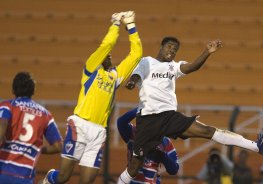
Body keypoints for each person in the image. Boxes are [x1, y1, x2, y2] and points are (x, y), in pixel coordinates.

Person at [117, 36, 263, 184]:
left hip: (169, 117)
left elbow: (193, 66)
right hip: (148, 120)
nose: (172, 50)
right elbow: (137, 75)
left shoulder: (173, 66)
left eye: (175, 49)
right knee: (134, 167)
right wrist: (132, 82)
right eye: (169, 46)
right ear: (161, 47)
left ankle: (257, 146)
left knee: (207, 131)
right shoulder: (147, 62)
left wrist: (207, 52)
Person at [41, 11, 142, 184]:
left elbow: (136, 54)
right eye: (105, 54)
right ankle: (49, 179)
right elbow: (107, 44)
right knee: (64, 177)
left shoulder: (115, 77)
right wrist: (116, 23)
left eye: (109, 55)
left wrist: (131, 25)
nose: (108, 55)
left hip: (98, 132)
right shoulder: (90, 70)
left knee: (87, 181)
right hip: (79, 125)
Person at [0, 72, 62, 184]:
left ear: (13, 90)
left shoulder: (6, 106)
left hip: (3, 171)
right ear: (33, 91)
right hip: (25, 176)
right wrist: (36, 148)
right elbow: (58, 146)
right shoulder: (45, 114)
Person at [117, 107, 179, 183]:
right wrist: (142, 107)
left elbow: (174, 170)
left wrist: (162, 156)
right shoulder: (133, 132)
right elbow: (121, 122)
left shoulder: (165, 141)